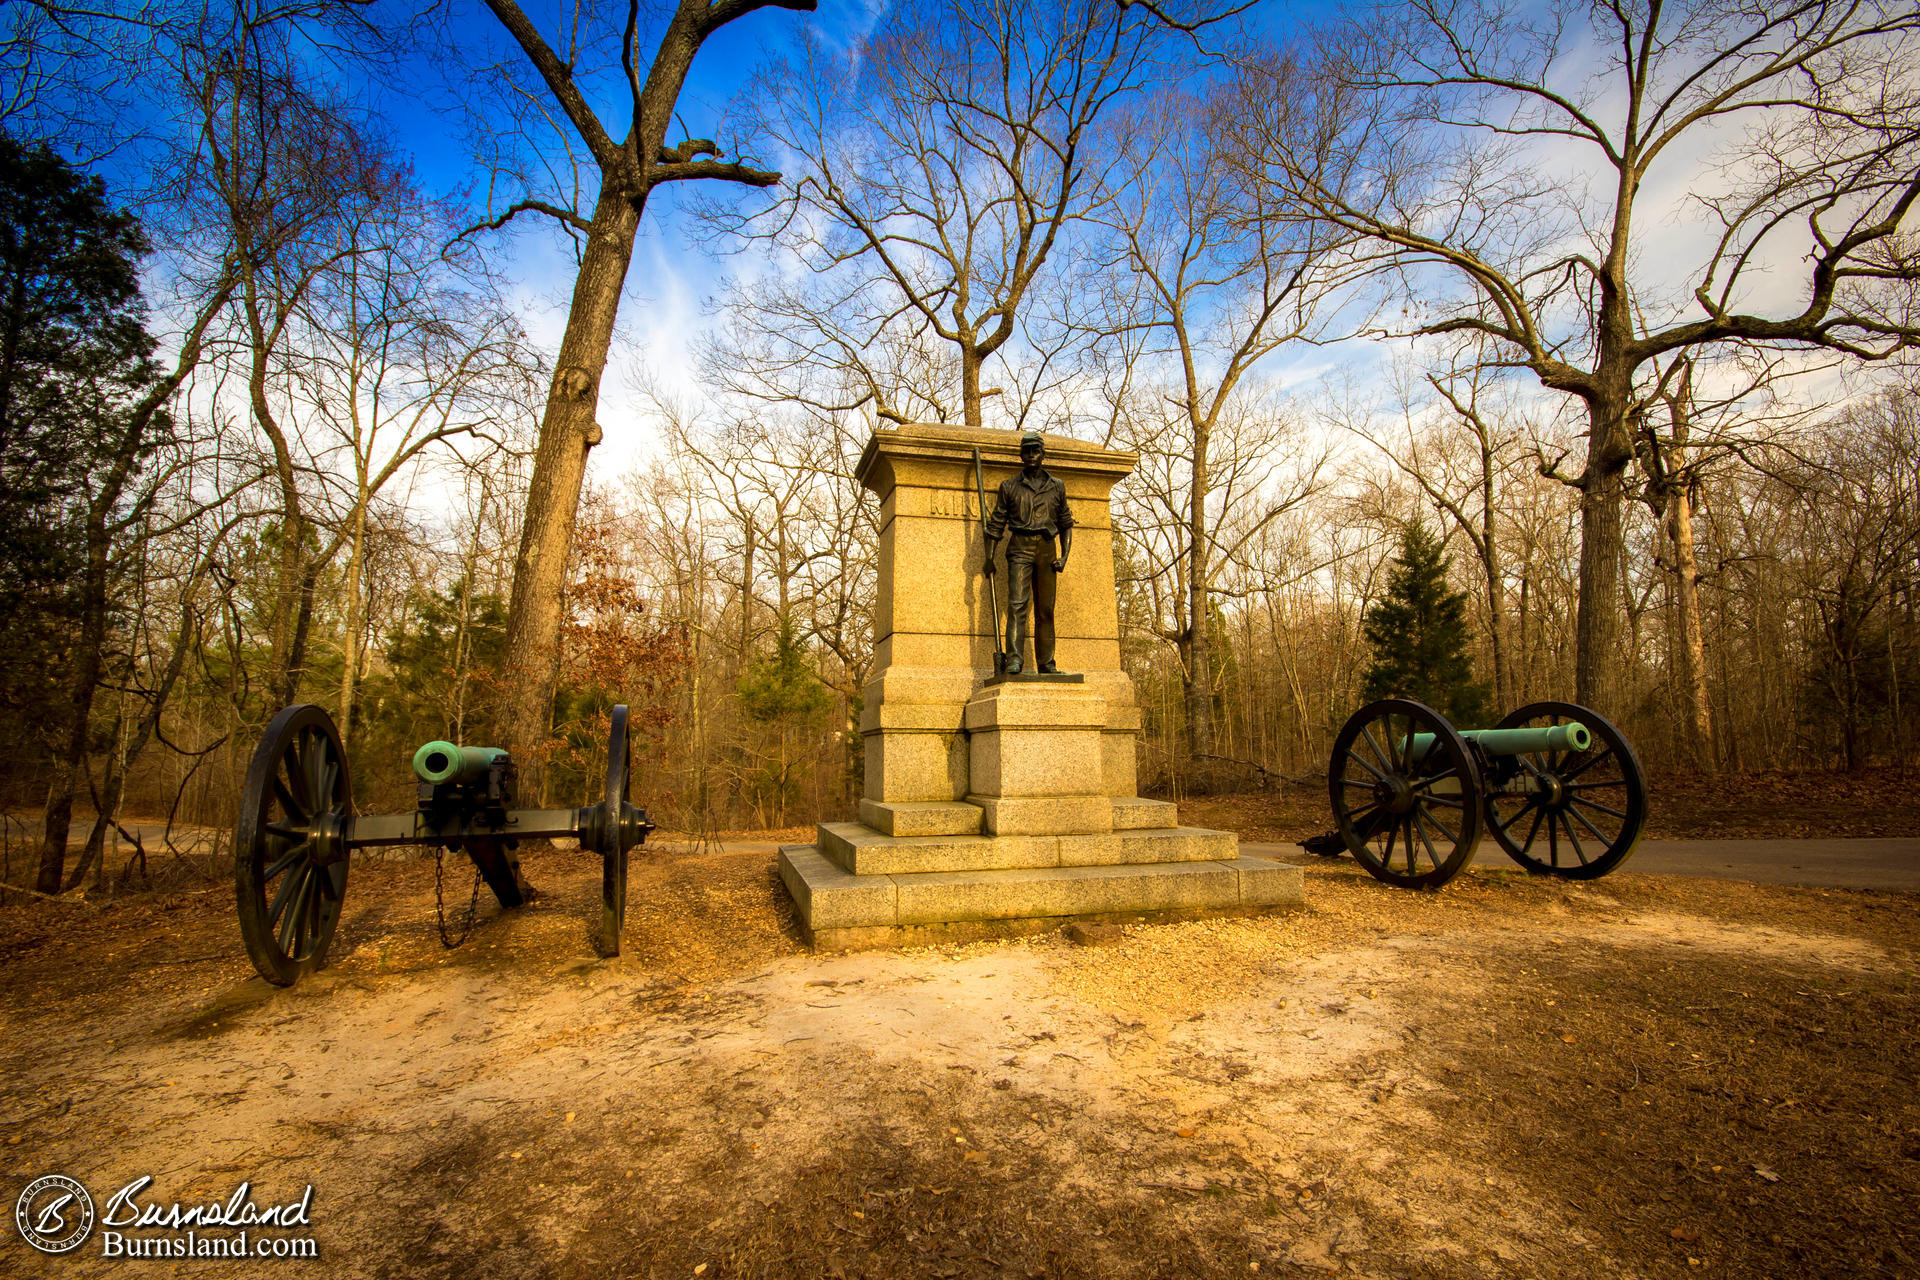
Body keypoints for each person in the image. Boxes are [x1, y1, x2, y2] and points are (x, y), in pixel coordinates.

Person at [983, 432, 1074, 675]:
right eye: (1027, 451)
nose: (1032, 455)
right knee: (1017, 605)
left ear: (1043, 454)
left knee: (1046, 608)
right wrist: (989, 558)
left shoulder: (1057, 486)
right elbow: (996, 525)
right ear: (1021, 455)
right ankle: (1014, 659)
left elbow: (1066, 523)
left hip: (1047, 549)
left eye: (1036, 451)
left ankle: (1047, 662)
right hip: (1020, 548)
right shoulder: (1009, 486)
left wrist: (1064, 555)